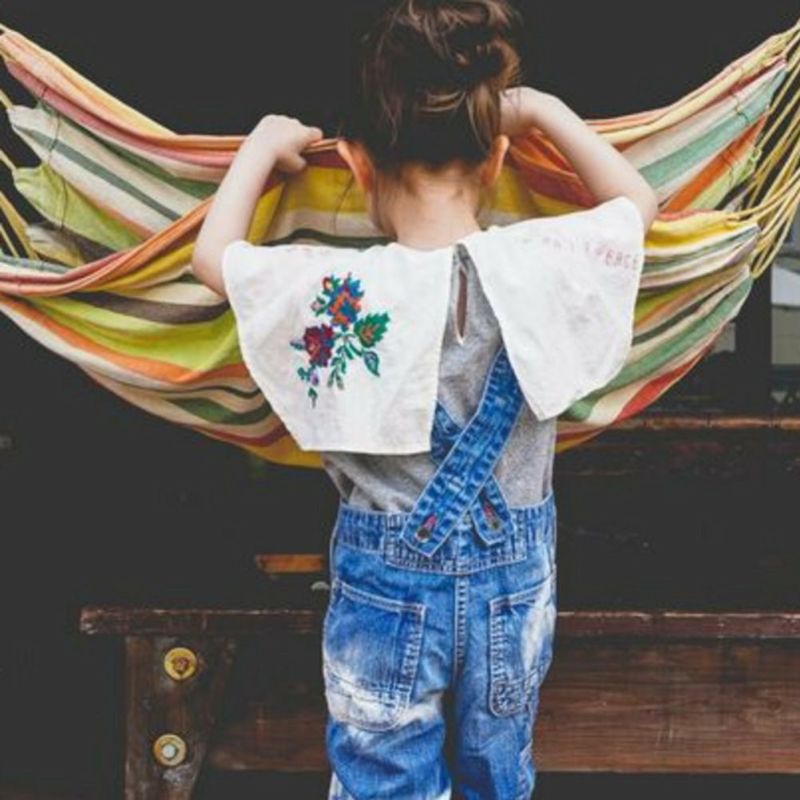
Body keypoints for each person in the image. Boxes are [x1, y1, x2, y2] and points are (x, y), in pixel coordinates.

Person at [192, 1, 658, 797]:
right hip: (516, 589)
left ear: (357, 164)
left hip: (385, 588)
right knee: (498, 779)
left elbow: (214, 259)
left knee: (382, 784)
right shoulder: (545, 265)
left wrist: (261, 148)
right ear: (497, 158)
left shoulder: (337, 290)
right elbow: (637, 205)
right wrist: (544, 110)